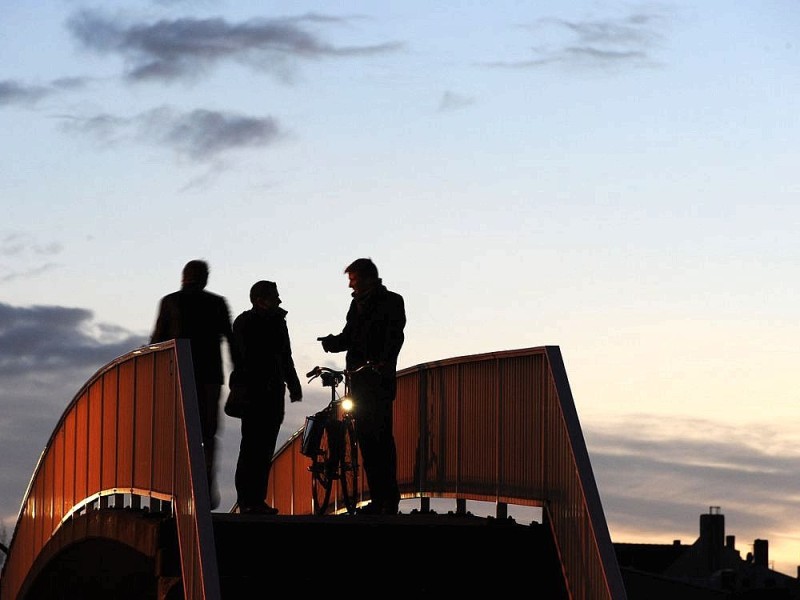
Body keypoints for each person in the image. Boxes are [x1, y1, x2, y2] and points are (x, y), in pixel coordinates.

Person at [318, 258, 406, 515]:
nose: (350, 286)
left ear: (367, 279)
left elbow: (395, 335)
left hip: (377, 381)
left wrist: (384, 362)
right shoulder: (356, 304)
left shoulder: (391, 301)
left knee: (380, 441)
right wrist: (332, 343)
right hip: (359, 381)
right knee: (368, 441)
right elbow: (350, 336)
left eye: (353, 280)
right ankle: (381, 500)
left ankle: (388, 499)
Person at [151, 259, 233, 509]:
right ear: (205, 278)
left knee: (177, 434)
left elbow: (157, 342)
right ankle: (205, 488)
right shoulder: (217, 303)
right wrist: (239, 376)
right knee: (207, 434)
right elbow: (231, 341)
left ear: (183, 276)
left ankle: (175, 490)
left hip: (177, 377)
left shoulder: (170, 302)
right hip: (210, 377)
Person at [230, 280, 302, 515]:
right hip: (255, 393)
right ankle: (248, 500)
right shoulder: (246, 322)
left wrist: (293, 384)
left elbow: (286, 355)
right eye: (275, 296)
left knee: (262, 447)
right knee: (252, 446)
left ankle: (255, 500)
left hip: (270, 393)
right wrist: (291, 384)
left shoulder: (275, 322)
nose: (279, 300)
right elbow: (247, 358)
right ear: (261, 299)